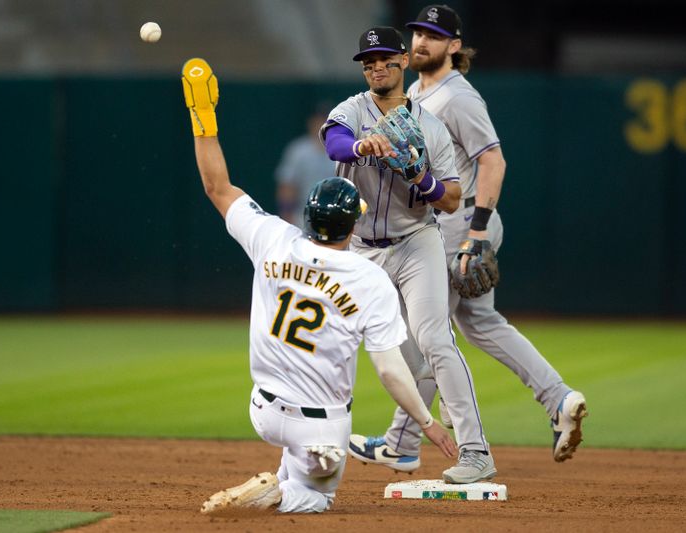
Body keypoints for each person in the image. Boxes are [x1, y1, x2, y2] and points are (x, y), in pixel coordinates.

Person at [181, 57, 457, 515]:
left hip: (263, 412)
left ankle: (289, 470)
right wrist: (427, 423)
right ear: (353, 225)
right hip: (323, 428)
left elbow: (217, 186)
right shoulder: (369, 278)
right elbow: (390, 372)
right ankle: (280, 491)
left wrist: (204, 122)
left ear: (309, 215)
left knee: (296, 450)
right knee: (315, 495)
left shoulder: (271, 238)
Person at [349, 5, 588, 470]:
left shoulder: (458, 97)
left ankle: (405, 443)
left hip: (459, 227)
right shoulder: (416, 90)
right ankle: (558, 398)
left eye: (433, 37)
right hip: (448, 227)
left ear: (454, 47)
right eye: (418, 33)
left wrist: (477, 230)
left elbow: (492, 161)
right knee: (478, 325)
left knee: (428, 334)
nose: (421, 42)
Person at [320, 27, 496, 484]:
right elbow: (335, 143)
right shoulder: (351, 110)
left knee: (436, 340)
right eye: (367, 61)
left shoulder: (432, 127)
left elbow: (453, 199)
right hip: (362, 252)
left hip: (417, 241)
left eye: (383, 58)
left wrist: (421, 178)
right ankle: (398, 447)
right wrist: (363, 144)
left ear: (401, 60)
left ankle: (476, 452)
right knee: (407, 362)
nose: (376, 66)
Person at [275, 103, 337, 224]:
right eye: (318, 120)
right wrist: (286, 216)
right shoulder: (298, 150)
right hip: (304, 217)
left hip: (338, 217)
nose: (322, 124)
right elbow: (287, 186)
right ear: (311, 122)